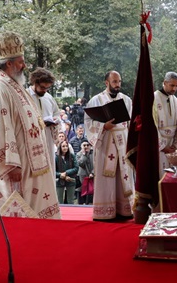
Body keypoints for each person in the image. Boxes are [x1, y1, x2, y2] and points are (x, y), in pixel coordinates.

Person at [0, 31, 60, 219]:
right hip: (18, 166)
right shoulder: (1, 88)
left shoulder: (13, 84)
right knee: (20, 212)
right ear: (9, 64)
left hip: (32, 163)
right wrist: (12, 164)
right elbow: (2, 128)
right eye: (20, 61)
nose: (24, 65)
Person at [84, 70, 133, 221]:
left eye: (119, 82)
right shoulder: (96, 100)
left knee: (123, 176)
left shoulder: (127, 100)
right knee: (106, 180)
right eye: (114, 82)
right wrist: (103, 127)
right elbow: (88, 123)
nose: (118, 85)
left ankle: (123, 210)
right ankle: (105, 212)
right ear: (107, 83)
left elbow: (130, 124)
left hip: (122, 144)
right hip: (105, 144)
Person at [27, 67, 61, 174]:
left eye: (47, 88)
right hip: (32, 139)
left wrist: (55, 120)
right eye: (42, 87)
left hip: (47, 138)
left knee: (49, 168)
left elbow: (57, 113)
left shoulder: (49, 98)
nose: (45, 90)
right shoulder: (25, 96)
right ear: (35, 82)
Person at [153, 72, 177, 178]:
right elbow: (152, 126)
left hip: (172, 146)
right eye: (172, 85)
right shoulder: (153, 99)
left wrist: (175, 144)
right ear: (165, 83)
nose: (174, 89)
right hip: (158, 146)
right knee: (159, 175)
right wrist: (163, 147)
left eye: (176, 86)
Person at [55, 141, 79, 205]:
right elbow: (53, 171)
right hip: (59, 180)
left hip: (70, 179)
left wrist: (66, 173)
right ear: (60, 147)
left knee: (70, 200)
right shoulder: (56, 157)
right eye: (63, 146)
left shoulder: (72, 156)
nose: (65, 148)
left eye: (66, 146)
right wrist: (60, 175)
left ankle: (71, 214)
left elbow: (76, 168)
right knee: (59, 201)